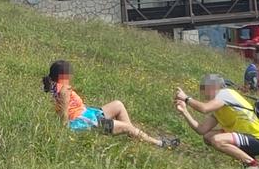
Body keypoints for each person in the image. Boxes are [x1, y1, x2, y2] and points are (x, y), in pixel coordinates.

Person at [43, 60, 179, 148]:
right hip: (85, 123)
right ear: (63, 75)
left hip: (88, 115)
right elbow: (64, 115)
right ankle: (159, 144)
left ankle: (136, 137)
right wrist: (65, 133)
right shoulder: (64, 90)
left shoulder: (56, 86)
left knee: (118, 105)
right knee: (127, 127)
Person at [175, 74, 259, 169]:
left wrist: (186, 98)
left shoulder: (225, 93)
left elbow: (204, 108)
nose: (203, 93)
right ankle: (248, 157)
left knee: (217, 140)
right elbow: (201, 130)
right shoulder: (219, 108)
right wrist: (184, 111)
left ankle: (253, 164)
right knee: (208, 137)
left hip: (258, 139)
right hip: (248, 138)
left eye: (204, 88)